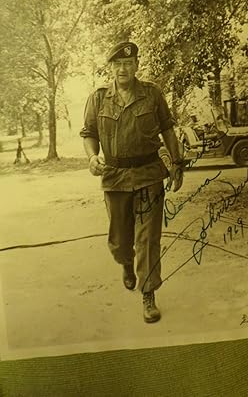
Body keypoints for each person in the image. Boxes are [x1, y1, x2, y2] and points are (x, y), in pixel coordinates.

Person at [80, 41, 184, 323]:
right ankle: (125, 262)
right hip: (114, 178)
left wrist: (176, 163)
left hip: (149, 174)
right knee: (119, 241)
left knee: (148, 239)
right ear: (111, 68)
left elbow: (167, 129)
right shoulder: (98, 98)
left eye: (128, 63)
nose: (123, 69)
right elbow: (89, 133)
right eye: (117, 65)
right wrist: (92, 158)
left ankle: (148, 293)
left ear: (136, 65)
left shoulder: (152, 94)